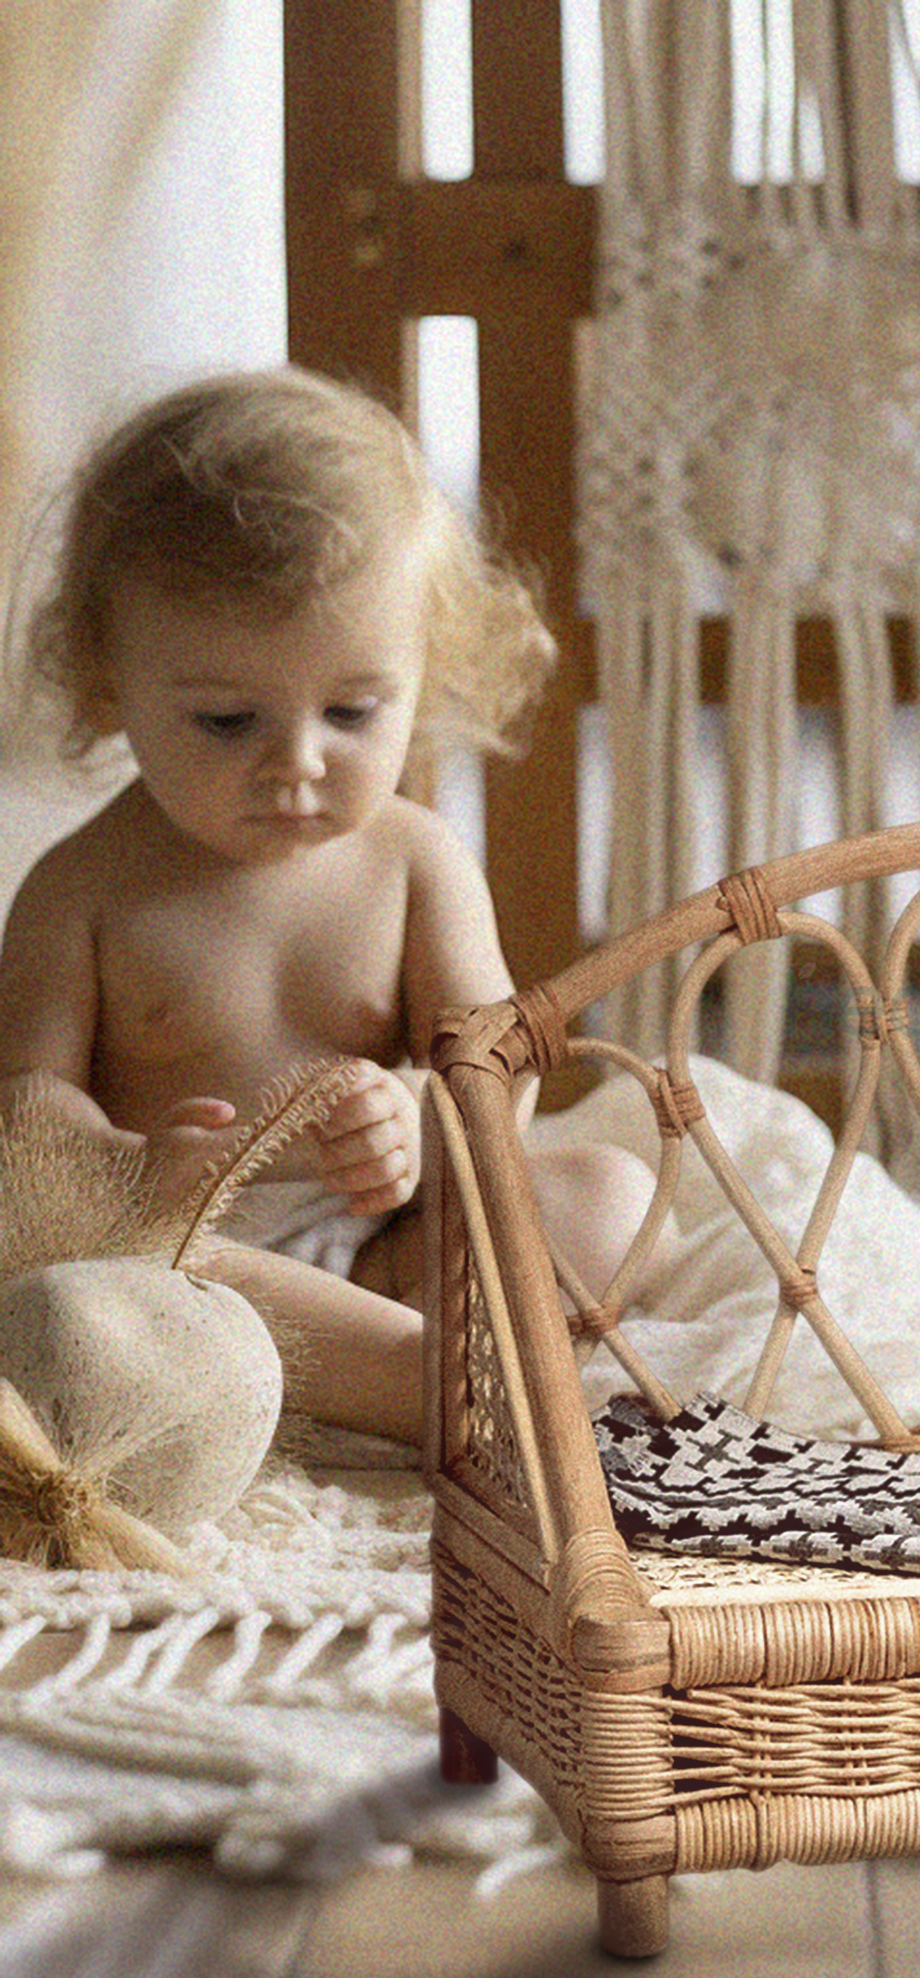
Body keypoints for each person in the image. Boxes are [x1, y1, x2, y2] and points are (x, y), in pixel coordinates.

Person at [0, 366, 659, 1446]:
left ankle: (396, 1365)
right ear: (107, 678)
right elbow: (26, 1108)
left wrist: (415, 1116)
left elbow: (499, 1071)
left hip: (380, 1243)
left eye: (352, 710)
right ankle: (422, 1384)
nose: (295, 764)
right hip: (185, 1255)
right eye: (225, 720)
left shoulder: (414, 862)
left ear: (423, 668)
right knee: (84, 1282)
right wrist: (135, 1164)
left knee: (609, 1193)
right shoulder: (85, 885)